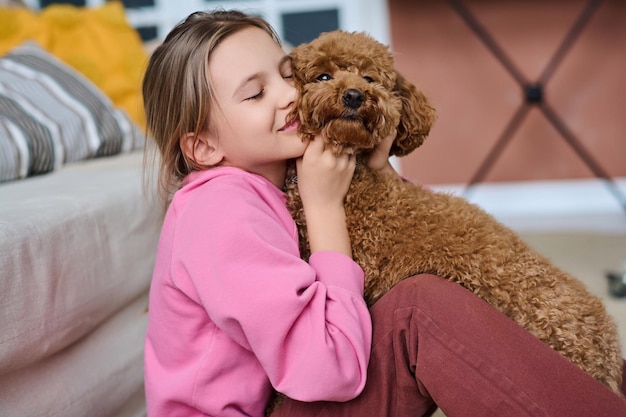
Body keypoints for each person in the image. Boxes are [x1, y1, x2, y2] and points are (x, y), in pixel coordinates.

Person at [142, 9, 626, 417]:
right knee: (415, 310)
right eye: (255, 93)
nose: (289, 95)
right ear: (202, 145)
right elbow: (328, 366)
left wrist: (380, 173)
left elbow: (400, 244)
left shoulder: (274, 178)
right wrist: (325, 206)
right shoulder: (219, 209)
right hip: (308, 384)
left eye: (289, 75)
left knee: (573, 365)